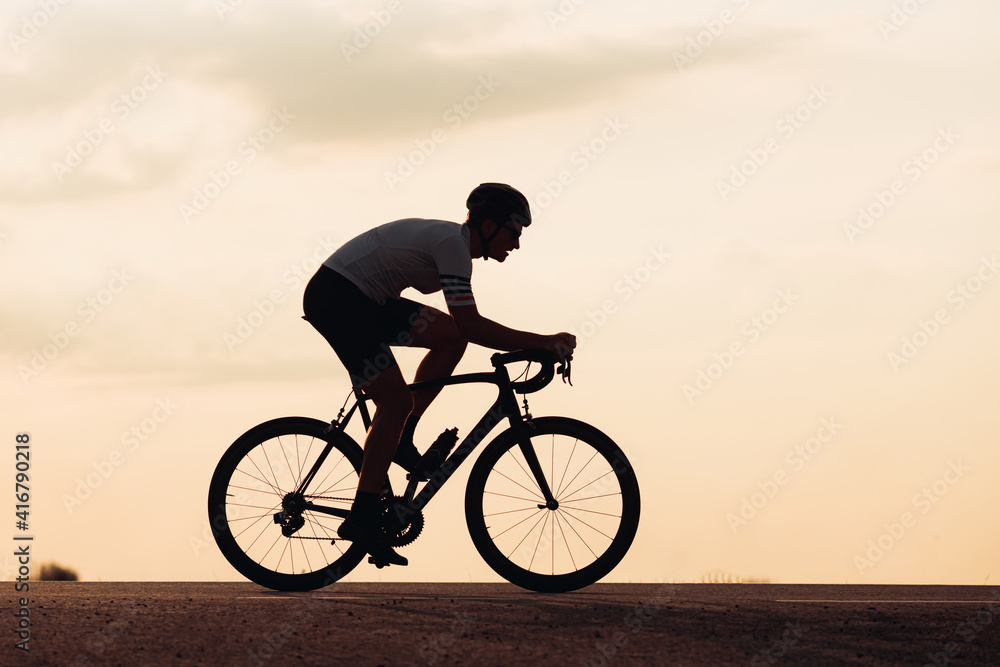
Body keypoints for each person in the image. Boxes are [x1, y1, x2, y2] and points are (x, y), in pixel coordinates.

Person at [302, 183, 576, 566]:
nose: (516, 244)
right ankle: (362, 518)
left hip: (369, 300)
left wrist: (536, 344)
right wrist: (542, 342)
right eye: (514, 233)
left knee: (449, 339)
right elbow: (472, 324)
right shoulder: (453, 246)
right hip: (338, 298)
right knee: (395, 401)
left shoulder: (455, 247)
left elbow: (461, 330)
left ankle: (402, 435)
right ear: (489, 226)